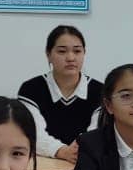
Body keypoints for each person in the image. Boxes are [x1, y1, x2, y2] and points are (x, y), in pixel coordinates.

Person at [17, 25, 102, 162]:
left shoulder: (101, 91)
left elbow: (97, 133)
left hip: (87, 161)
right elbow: (32, 133)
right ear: (48, 54)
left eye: (77, 51)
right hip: (44, 163)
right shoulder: (30, 89)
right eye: (62, 51)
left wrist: (81, 149)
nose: (71, 57)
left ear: (84, 53)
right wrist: (61, 151)